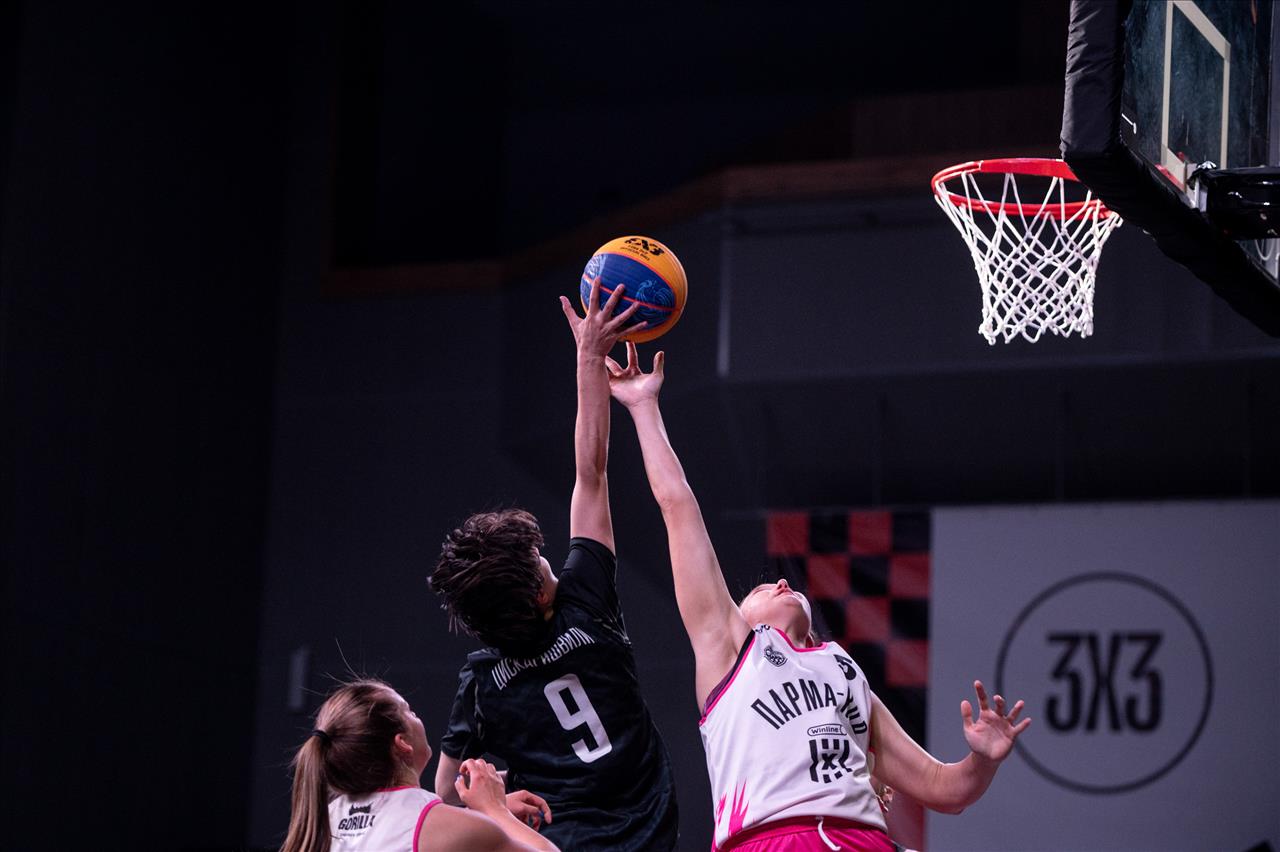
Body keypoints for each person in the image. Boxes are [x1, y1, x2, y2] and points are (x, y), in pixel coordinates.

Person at [606, 341, 1032, 852]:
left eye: (781, 582)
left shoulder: (845, 672)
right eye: (762, 588)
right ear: (740, 616)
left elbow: (946, 788)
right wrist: (643, 406)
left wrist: (982, 760)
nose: (782, 583)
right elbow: (677, 505)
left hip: (862, 840)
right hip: (770, 839)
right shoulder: (728, 647)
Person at [426, 279, 679, 851]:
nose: (551, 561)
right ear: (541, 596)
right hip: (650, 833)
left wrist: (495, 804)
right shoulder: (583, 604)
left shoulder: (482, 682)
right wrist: (590, 357)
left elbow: (444, 790)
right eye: (542, 562)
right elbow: (591, 473)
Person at [280, 678, 558, 852]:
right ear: (402, 743)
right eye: (409, 712)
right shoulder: (449, 828)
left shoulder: (323, 819)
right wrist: (495, 811)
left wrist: (481, 814)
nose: (417, 716)